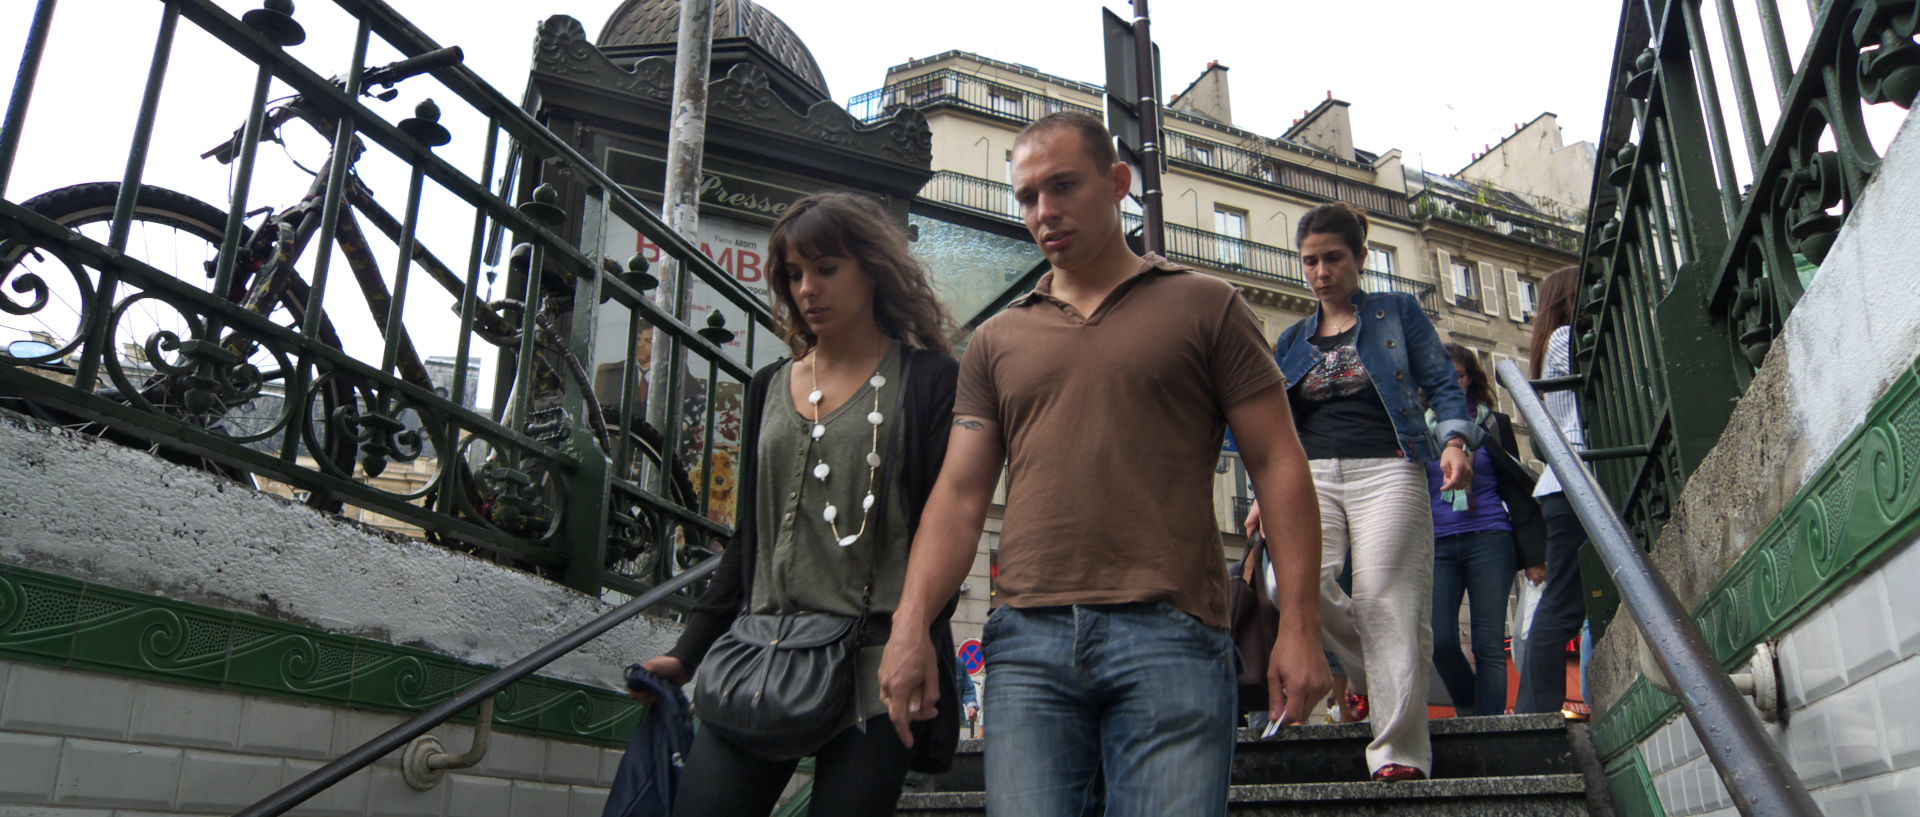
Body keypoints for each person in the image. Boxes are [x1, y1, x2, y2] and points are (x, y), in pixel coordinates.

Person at [876, 111, 1331, 817]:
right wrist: (911, 625)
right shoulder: (997, 339)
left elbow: (1278, 462)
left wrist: (1300, 626)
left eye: (1063, 186)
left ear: (1117, 183)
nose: (1044, 211)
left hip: (1174, 634)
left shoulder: (1207, 305)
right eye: (1027, 196)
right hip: (1028, 641)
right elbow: (961, 495)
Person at [633, 192, 962, 816]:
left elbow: (942, 528)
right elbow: (748, 540)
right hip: (758, 653)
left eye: (826, 268)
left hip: (875, 664)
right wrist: (687, 652)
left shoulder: (928, 381)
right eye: (793, 274)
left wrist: (919, 639)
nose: (807, 288)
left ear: (871, 269)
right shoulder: (768, 385)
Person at [1250, 201, 1481, 781]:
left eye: (1333, 259)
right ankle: (1369, 672)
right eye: (1310, 262)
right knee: (1289, 583)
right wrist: (1262, 491)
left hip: (1390, 466)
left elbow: (1442, 387)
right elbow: (1278, 424)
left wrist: (1455, 442)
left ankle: (1397, 752)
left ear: (1359, 259)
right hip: (1310, 475)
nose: (1321, 272)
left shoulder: (1397, 314)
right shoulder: (1292, 340)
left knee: (1387, 597)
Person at [1426, 344, 1545, 717]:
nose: (1449, 383)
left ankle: (1490, 724)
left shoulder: (1494, 425)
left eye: (1457, 376)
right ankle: (1471, 709)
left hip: (1491, 539)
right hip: (1437, 545)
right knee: (1439, 640)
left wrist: (1534, 557)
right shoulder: (1416, 427)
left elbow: (1517, 489)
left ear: (1471, 380)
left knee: (1489, 644)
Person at [1516, 266, 1589, 716]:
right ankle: (1535, 712)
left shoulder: (1554, 340)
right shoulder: (1564, 338)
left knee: (1571, 601)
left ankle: (1537, 708)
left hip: (1569, 482)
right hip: (1574, 480)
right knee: (1562, 602)